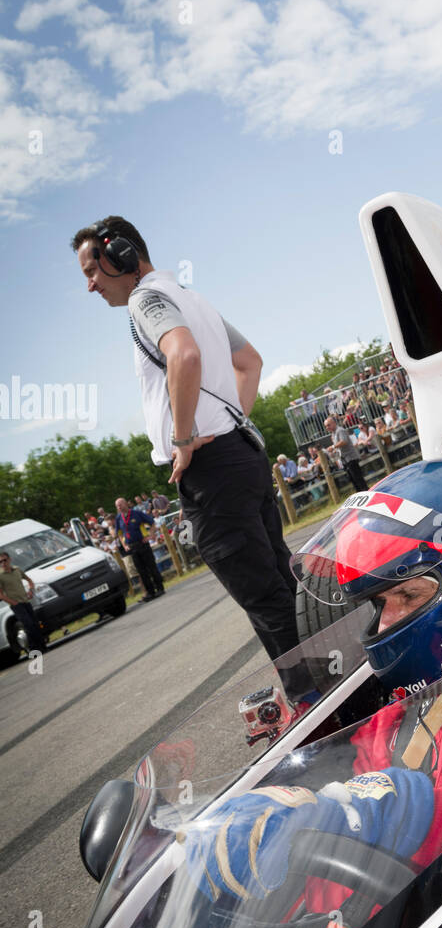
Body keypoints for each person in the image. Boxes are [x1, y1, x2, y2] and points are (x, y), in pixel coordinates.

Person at [179, 460, 442, 928]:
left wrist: (376, 814)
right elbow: (342, 772)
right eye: (381, 603)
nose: (384, 623)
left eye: (407, 596)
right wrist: (283, 793)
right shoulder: (411, 708)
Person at [72, 216, 317, 709]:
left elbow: (183, 356)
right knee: (278, 579)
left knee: (263, 592)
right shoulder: (192, 297)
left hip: (212, 469)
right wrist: (227, 423)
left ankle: (317, 700)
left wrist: (183, 438)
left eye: (91, 271)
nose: (90, 286)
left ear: (119, 254)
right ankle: (324, 681)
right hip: (237, 453)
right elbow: (252, 363)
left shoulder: (146, 299)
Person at [114, 496, 166, 601]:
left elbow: (152, 523)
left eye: (121, 504)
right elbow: (119, 534)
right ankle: (150, 592)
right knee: (141, 571)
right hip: (132, 547)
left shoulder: (136, 513)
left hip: (142, 544)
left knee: (151, 566)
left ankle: (160, 588)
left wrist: (150, 536)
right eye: (117, 506)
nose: (119, 507)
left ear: (125, 504)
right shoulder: (118, 518)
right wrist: (125, 545)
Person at [0, 552, 47, 654]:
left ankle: (42, 646)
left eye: (5, 560)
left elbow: (29, 580)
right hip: (16, 605)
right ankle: (33, 649)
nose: (3, 563)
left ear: (9, 559)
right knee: (28, 625)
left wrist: (31, 590)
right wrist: (13, 602)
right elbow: (0, 595)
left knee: (35, 624)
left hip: (26, 601)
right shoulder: (0, 576)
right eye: (0, 561)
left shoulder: (17, 569)